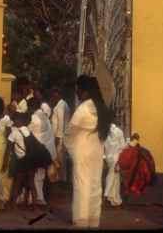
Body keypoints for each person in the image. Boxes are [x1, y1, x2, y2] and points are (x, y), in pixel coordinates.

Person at [65, 75, 112, 228]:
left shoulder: (84, 108)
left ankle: (81, 219)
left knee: (82, 183)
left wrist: (68, 147)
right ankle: (93, 219)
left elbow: (70, 131)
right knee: (95, 184)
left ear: (85, 91)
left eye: (78, 90)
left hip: (82, 150)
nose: (77, 93)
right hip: (96, 150)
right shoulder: (101, 107)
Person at [28, 97, 57, 206]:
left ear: (31, 107)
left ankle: (37, 198)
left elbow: (28, 131)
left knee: (36, 176)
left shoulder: (34, 118)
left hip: (39, 150)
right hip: (48, 150)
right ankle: (41, 197)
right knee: (42, 176)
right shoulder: (45, 116)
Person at [50, 87, 71, 182]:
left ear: (59, 94)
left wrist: (57, 137)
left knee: (59, 161)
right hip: (62, 136)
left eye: (56, 94)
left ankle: (61, 181)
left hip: (60, 137)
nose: (54, 96)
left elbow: (61, 122)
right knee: (60, 161)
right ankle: (61, 180)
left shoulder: (61, 106)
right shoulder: (62, 105)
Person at [103, 123, 126, 207]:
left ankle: (114, 200)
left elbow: (104, 147)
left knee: (115, 178)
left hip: (108, 158)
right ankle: (106, 195)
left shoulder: (106, 133)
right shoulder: (119, 132)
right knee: (112, 176)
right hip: (116, 158)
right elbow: (123, 147)